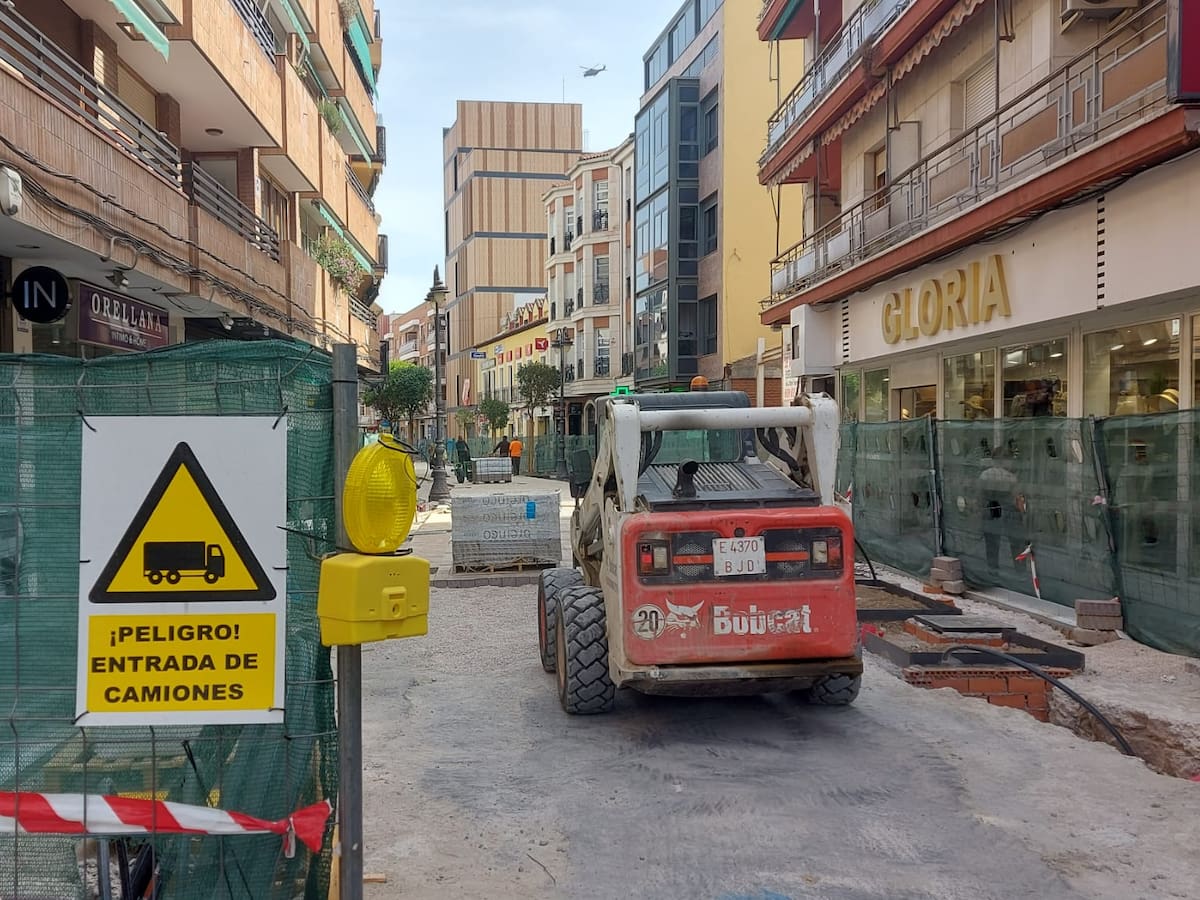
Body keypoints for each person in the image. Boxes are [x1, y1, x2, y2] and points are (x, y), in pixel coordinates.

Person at [979, 447, 1026, 575]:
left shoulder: (984, 475)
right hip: (1009, 512)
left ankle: (993, 570)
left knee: (992, 543)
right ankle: (1020, 570)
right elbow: (1016, 497)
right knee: (1015, 543)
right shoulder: (1011, 478)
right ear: (1004, 460)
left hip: (990, 511)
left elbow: (981, 496)